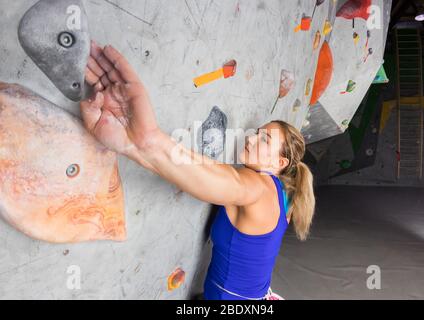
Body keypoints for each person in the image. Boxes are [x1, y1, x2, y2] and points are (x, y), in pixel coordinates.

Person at [81, 41, 316, 300]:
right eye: (257, 133)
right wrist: (130, 144)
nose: (251, 139)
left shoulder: (257, 187)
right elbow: (192, 167)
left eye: (265, 140)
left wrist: (150, 139)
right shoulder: (282, 190)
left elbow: (223, 180)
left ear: (280, 163)